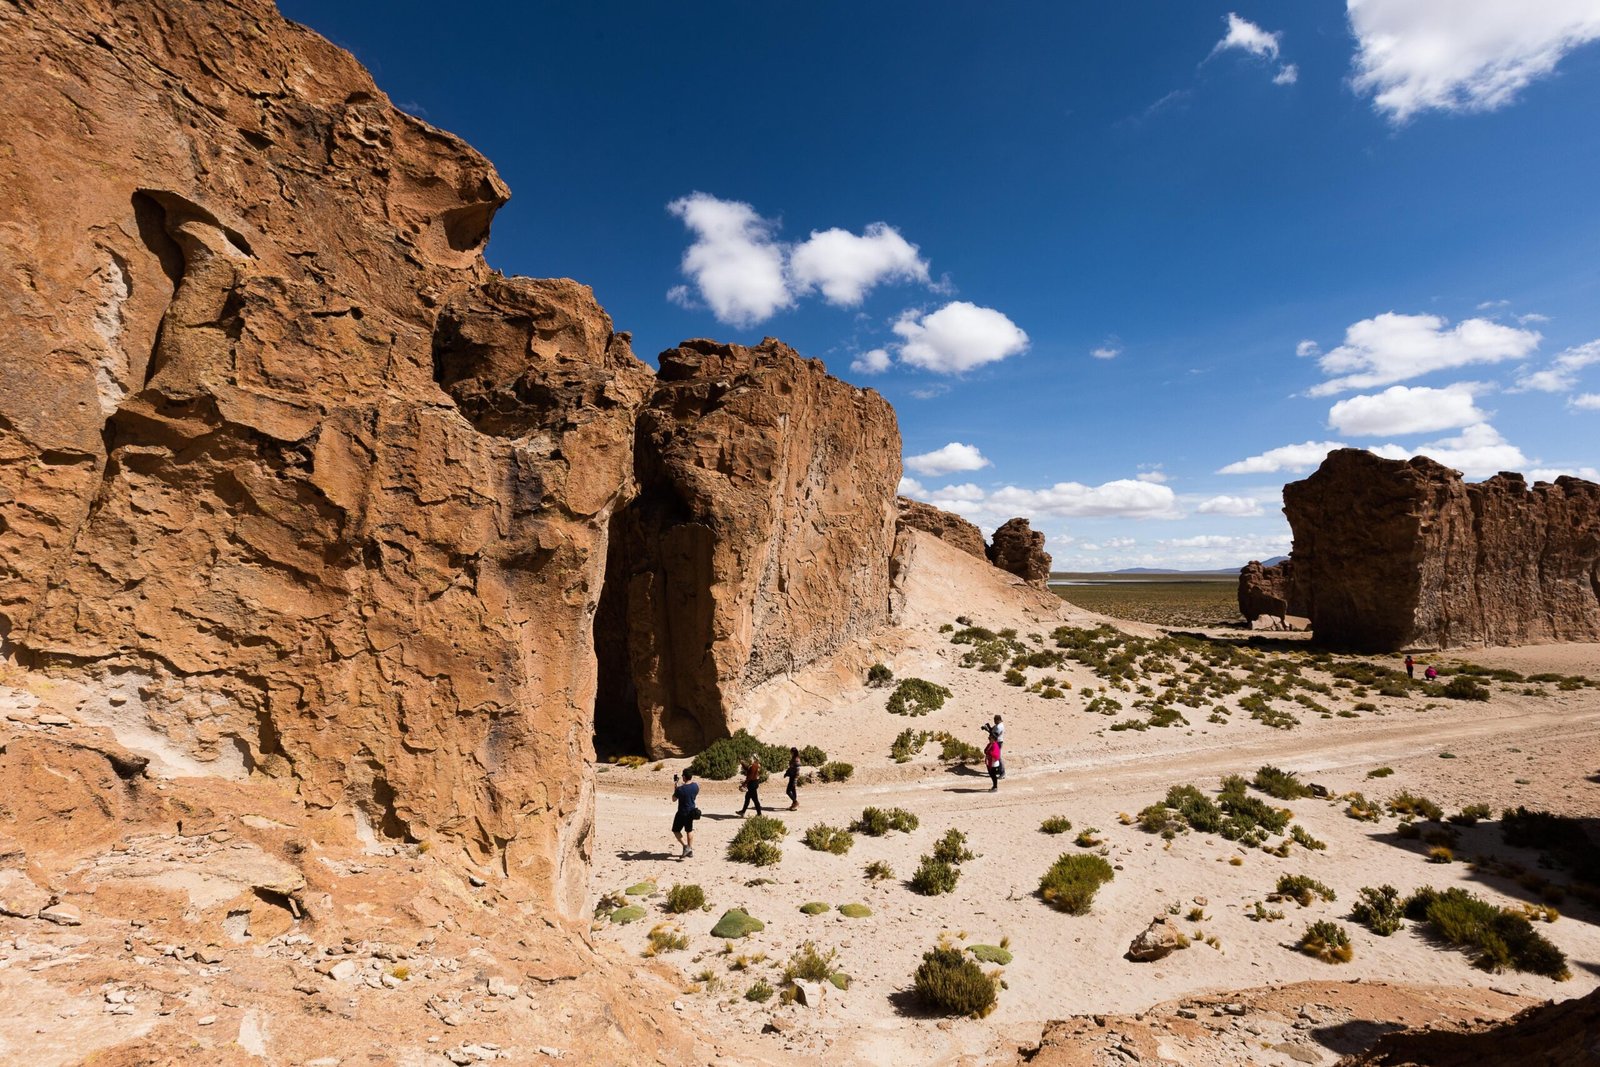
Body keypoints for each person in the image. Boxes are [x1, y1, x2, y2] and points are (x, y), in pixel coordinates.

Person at [670, 770, 700, 858]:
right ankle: (690, 849)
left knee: (676, 830)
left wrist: (676, 786)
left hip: (682, 813)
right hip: (691, 811)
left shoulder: (680, 789)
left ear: (684, 777)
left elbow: (673, 799)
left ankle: (685, 846)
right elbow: (695, 793)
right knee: (689, 830)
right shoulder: (696, 786)